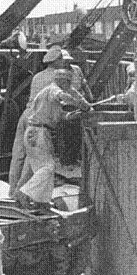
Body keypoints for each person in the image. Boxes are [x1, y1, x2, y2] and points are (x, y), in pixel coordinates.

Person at [14, 69, 91, 208]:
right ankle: (23, 193)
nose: (69, 85)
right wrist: (80, 104)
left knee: (40, 169)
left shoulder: (49, 96)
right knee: (48, 167)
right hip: (38, 132)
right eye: (68, 82)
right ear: (62, 80)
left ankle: (40, 201)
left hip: (40, 131)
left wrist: (73, 115)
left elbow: (58, 115)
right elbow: (63, 96)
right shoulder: (53, 90)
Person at [8, 45, 65, 197]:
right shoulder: (58, 77)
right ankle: (21, 192)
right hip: (37, 118)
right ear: (57, 61)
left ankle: (12, 190)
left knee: (18, 155)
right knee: (34, 158)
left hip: (26, 115)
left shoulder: (38, 76)